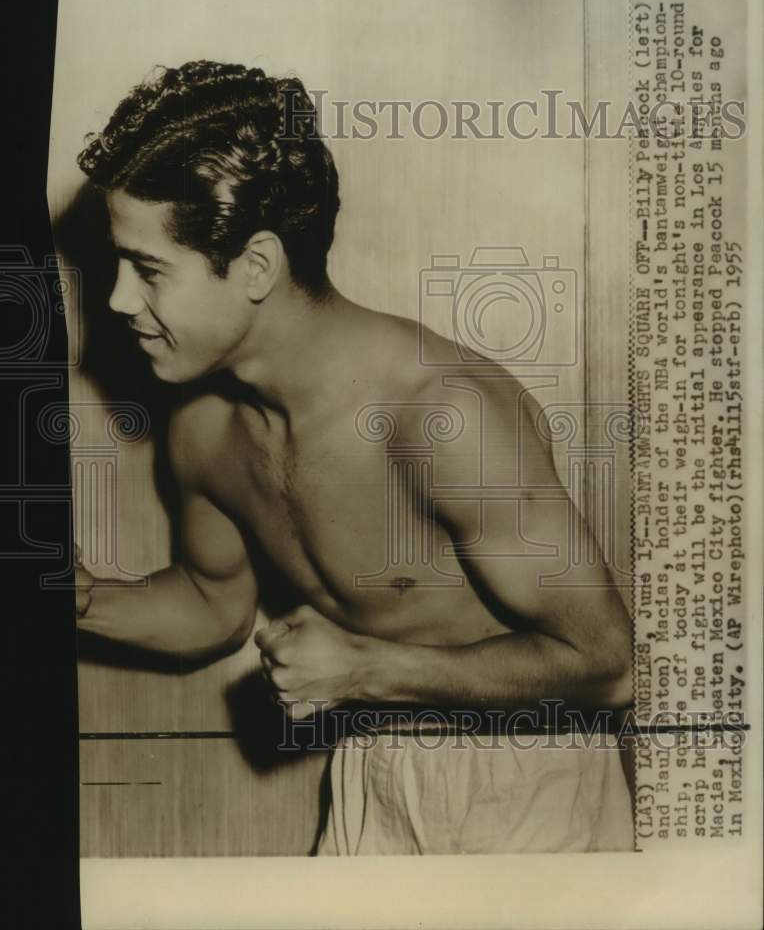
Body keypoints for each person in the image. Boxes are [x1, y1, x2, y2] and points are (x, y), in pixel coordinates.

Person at [74, 60, 634, 855]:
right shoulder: (203, 428)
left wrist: (368, 670)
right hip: (372, 769)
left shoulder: (442, 414)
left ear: (258, 266)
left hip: (530, 779)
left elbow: (608, 666)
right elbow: (212, 606)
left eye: (149, 270)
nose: (119, 301)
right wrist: (80, 600)